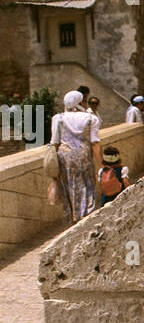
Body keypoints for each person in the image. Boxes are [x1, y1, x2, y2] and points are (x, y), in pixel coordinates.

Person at [49, 90, 101, 223]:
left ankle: (73, 216)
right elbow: (95, 142)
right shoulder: (90, 118)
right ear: (81, 102)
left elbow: (54, 142)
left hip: (65, 157)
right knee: (87, 184)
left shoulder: (58, 118)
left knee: (70, 185)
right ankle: (86, 215)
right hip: (84, 156)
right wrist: (102, 164)